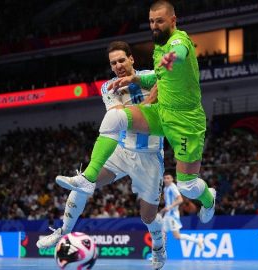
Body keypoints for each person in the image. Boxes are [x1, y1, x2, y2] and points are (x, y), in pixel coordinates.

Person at [56, 0, 216, 227]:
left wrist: (170, 58)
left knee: (187, 187)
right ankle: (88, 178)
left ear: (173, 20)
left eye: (160, 21)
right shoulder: (159, 46)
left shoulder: (179, 40)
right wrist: (136, 78)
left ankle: (209, 199)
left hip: (185, 122)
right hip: (161, 114)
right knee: (115, 117)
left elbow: (178, 52)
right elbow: (158, 77)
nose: (155, 26)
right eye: (151, 21)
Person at [37, 41, 166, 269]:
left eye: (121, 60)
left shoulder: (153, 76)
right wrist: (150, 101)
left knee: (147, 217)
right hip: (122, 150)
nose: (117, 66)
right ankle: (62, 231)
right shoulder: (109, 87)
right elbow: (119, 118)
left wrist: (149, 103)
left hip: (150, 157)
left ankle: (158, 246)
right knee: (84, 181)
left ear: (131, 59)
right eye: (113, 63)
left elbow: (161, 111)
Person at [161, 173, 204, 250]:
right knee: (161, 233)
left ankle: (197, 240)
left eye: (168, 178)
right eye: (165, 178)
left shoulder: (173, 188)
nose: (166, 179)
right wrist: (164, 209)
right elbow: (169, 202)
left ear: (172, 179)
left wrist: (169, 207)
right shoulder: (165, 189)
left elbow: (180, 199)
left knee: (177, 236)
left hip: (172, 215)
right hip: (167, 215)